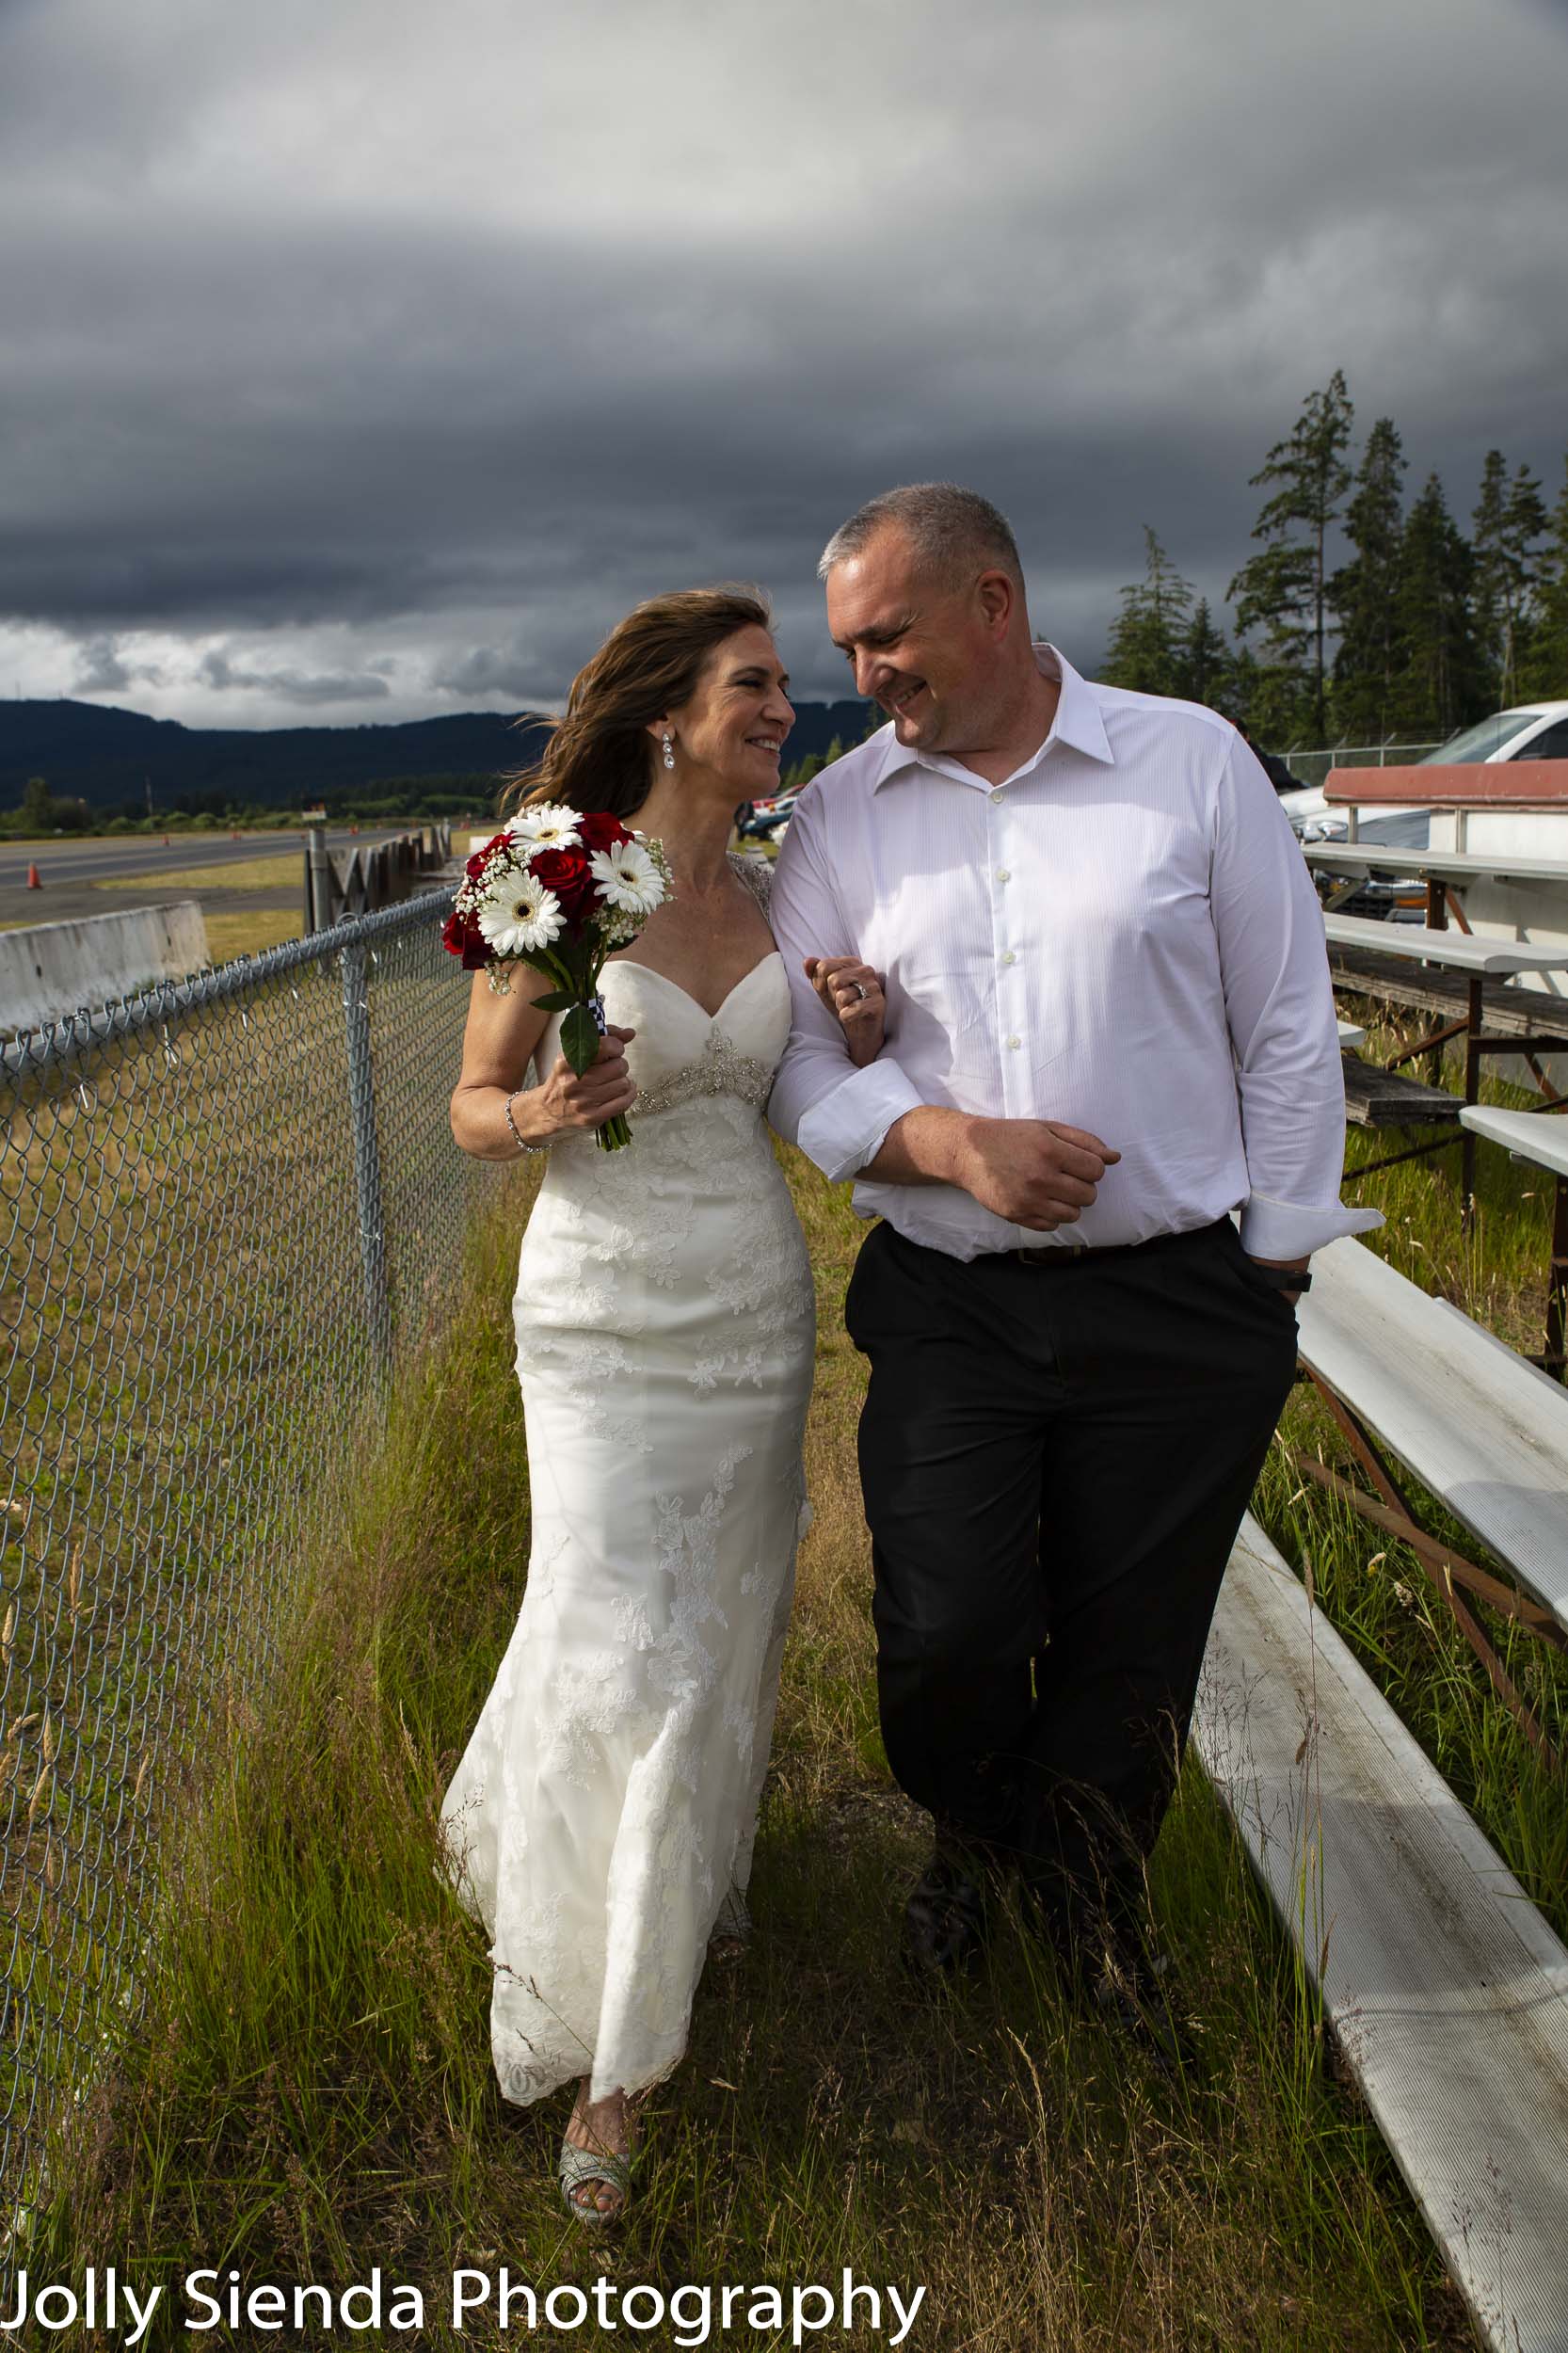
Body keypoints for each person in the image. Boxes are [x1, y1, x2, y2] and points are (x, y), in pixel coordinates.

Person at [768, 484, 1378, 2038]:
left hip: (1186, 1303)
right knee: (946, 1633)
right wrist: (949, 1144)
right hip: (954, 1304)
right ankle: (980, 1827)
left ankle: (1098, 1920)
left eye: (888, 635)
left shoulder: (1189, 762)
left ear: (995, 601)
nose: (865, 679)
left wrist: (1278, 1264)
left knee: (1133, 1652)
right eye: (845, 648)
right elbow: (791, 1066)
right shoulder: (843, 815)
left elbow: (1289, 1022)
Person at [440, 588, 816, 2225]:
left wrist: (849, 1018)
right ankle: (608, 2053)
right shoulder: (560, 878)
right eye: (755, 684)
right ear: (668, 711)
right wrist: (537, 1109)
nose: (783, 709)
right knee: (611, 1629)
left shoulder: (779, 887)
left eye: (790, 688)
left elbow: (780, 1093)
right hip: (602, 1323)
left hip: (755, 1310)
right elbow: (465, 1106)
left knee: (722, 1624)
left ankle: (678, 1898)